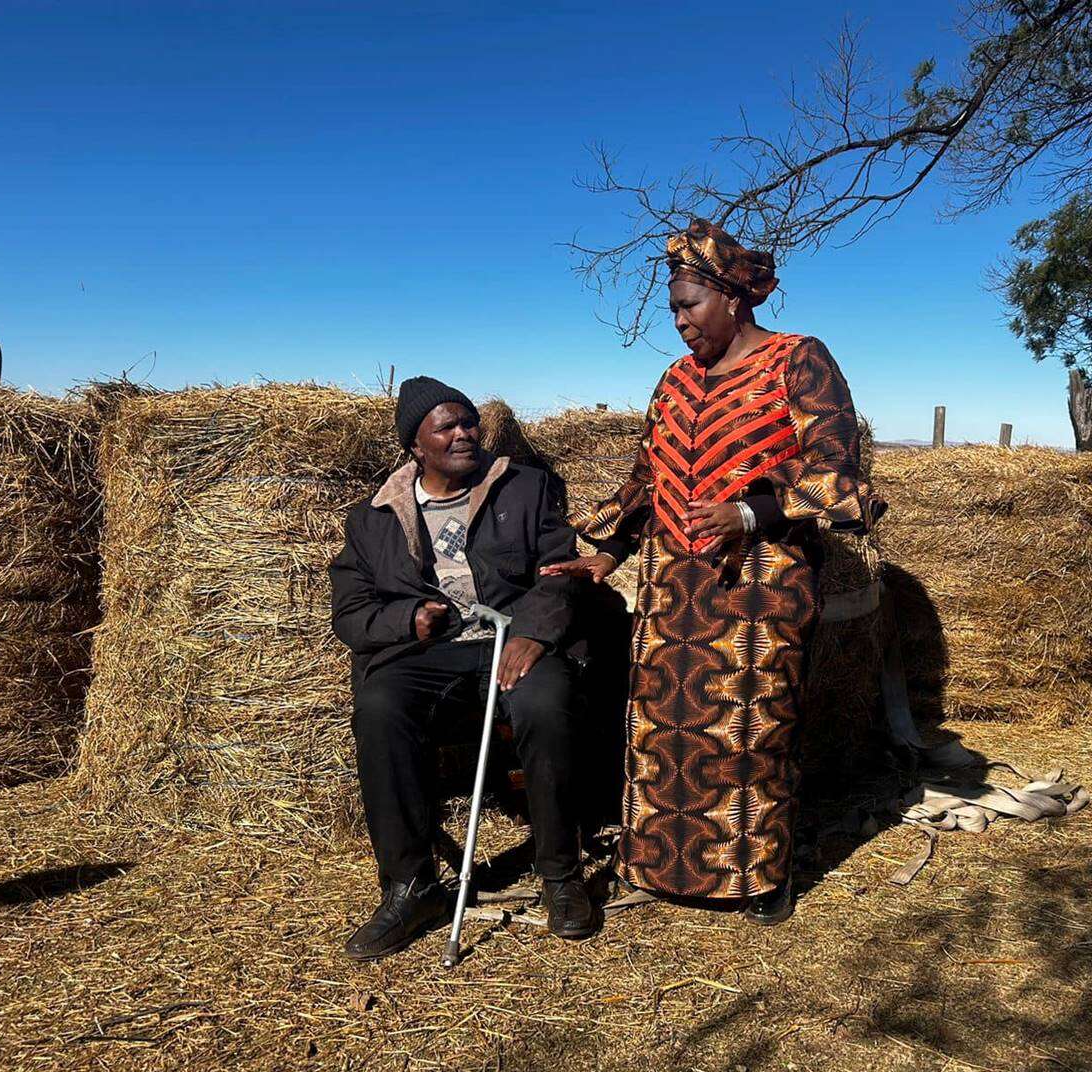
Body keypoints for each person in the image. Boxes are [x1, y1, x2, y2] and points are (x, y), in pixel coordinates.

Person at [543, 219, 876, 924]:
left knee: (753, 728)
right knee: (662, 730)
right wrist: (607, 552)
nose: (680, 322)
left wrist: (752, 514)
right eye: (672, 309)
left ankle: (760, 877)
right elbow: (646, 480)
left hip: (761, 579)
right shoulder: (674, 380)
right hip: (672, 587)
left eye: (689, 305)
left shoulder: (798, 360)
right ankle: (658, 866)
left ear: (732, 299)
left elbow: (840, 473)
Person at [330, 377, 595, 960]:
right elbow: (350, 614)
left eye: (468, 421)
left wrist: (532, 635)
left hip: (513, 640)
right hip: (432, 651)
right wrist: (406, 622)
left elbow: (561, 572)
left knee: (543, 703)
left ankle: (560, 873)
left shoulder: (524, 489)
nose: (463, 434)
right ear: (415, 446)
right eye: (445, 426)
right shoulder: (374, 519)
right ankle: (411, 885)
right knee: (380, 707)